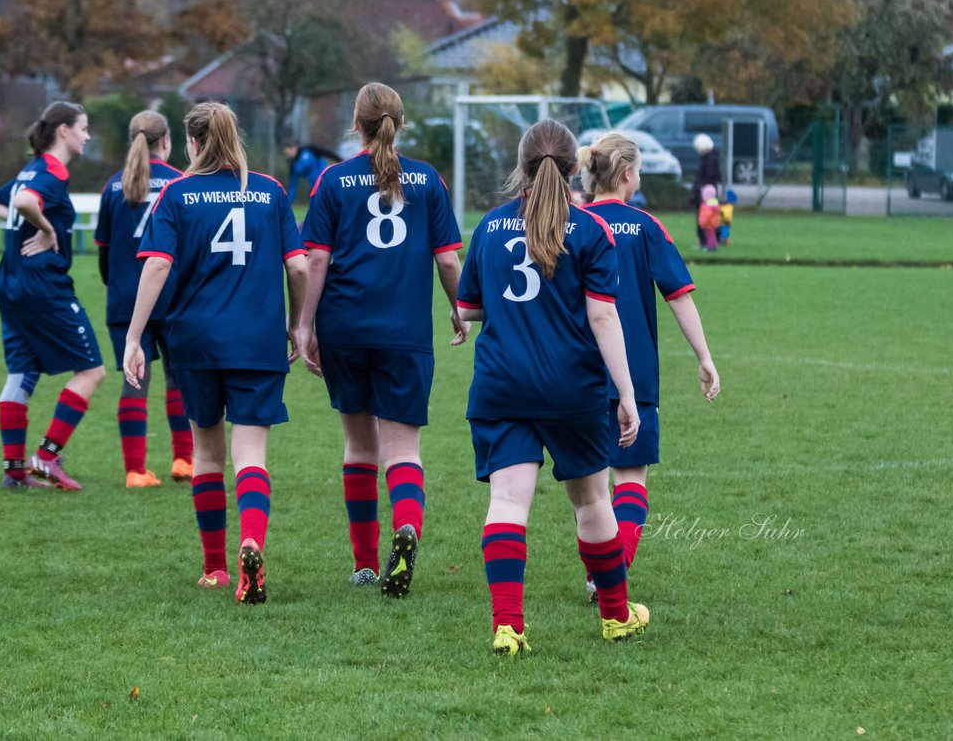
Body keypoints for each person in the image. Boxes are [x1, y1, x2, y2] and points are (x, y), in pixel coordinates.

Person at [455, 119, 647, 656]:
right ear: (572, 170)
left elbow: (467, 308)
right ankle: (615, 617)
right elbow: (604, 318)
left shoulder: (490, 227)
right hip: (571, 389)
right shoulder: (590, 230)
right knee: (591, 500)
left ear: (522, 166)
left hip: (501, 386)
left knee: (507, 504)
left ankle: (508, 628)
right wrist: (627, 395)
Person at [124, 101, 308, 605]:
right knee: (251, 456)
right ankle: (252, 543)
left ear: (192, 142)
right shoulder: (269, 191)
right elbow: (298, 268)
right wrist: (299, 325)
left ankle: (216, 569)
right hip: (257, 341)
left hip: (196, 342)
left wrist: (135, 336)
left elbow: (158, 267)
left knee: (206, 455)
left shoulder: (178, 194)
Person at [297, 82, 470, 597]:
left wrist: (304, 323)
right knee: (404, 451)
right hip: (406, 334)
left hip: (345, 329)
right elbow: (446, 258)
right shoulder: (428, 180)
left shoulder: (332, 180)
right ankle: (408, 527)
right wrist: (458, 310)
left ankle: (366, 564)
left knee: (358, 446)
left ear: (357, 125)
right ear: (401, 122)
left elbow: (317, 260)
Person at [579, 132, 720, 593]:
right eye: (638, 171)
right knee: (630, 477)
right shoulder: (644, 227)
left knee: (590, 483)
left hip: (577, 370)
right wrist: (704, 357)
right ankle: (610, 576)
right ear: (625, 175)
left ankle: (600, 573)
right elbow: (679, 297)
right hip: (634, 372)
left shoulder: (572, 223)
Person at [0, 101, 105, 491]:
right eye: (84, 128)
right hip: (42, 285)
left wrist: (25, 220)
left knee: (22, 371)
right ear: (64, 130)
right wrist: (47, 229)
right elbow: (22, 203)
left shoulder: (29, 170)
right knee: (91, 370)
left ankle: (14, 470)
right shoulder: (51, 170)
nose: (88, 136)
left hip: (10, 282)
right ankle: (48, 458)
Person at [94, 110, 193, 488]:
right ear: (166, 141)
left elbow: (104, 253)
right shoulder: (181, 183)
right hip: (172, 296)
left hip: (124, 298)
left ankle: (135, 470)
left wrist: (117, 287)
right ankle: (184, 460)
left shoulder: (113, 187)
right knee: (178, 379)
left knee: (134, 381)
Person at [691, 133, 721, 248]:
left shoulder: (709, 159)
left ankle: (706, 242)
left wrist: (700, 189)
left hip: (705, 193)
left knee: (705, 218)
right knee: (708, 217)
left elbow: (708, 176)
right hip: (706, 192)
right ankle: (707, 241)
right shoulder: (712, 157)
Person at [699, 184, 721, 251]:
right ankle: (713, 245)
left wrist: (704, 221)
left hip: (709, 223)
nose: (703, 197)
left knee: (710, 235)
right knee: (712, 234)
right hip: (712, 222)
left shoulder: (709, 205)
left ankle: (711, 247)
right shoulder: (713, 203)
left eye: (704, 196)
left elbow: (707, 215)